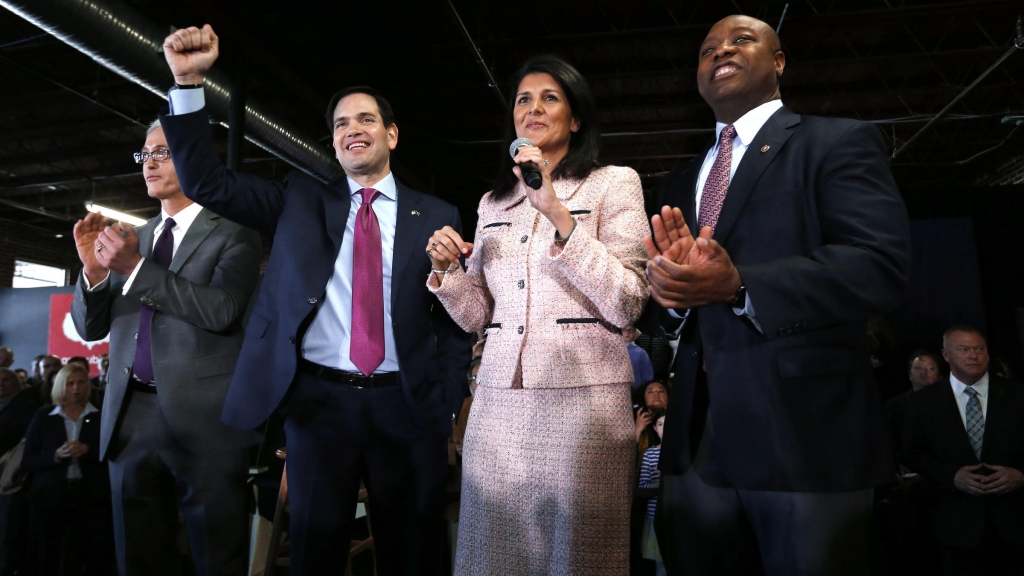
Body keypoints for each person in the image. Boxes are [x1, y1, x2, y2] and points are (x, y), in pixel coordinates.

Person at [160, 25, 472, 575]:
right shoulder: (298, 199)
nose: (352, 130)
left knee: (414, 553)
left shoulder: (439, 213)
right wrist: (187, 84)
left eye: (366, 119)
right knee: (314, 553)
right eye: (340, 124)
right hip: (319, 407)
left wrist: (444, 398)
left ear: (392, 134)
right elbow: (207, 183)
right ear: (332, 141)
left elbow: (450, 316)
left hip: (407, 407)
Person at [639, 15, 911, 575]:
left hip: (807, 440)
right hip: (694, 446)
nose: (721, 51)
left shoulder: (835, 142)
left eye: (741, 40)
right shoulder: (678, 178)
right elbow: (673, 302)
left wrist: (741, 285)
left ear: (780, 62)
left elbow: (879, 265)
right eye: (707, 47)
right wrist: (669, 295)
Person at [426, 54, 649, 574]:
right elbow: (478, 316)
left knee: (580, 557)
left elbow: (628, 298)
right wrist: (448, 275)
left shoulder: (614, 183)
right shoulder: (492, 203)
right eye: (523, 99)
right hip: (498, 403)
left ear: (576, 118)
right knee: (492, 556)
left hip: (586, 404)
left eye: (550, 97)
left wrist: (556, 212)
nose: (533, 108)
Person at [70, 119, 262, 576]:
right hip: (130, 417)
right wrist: (93, 274)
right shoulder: (133, 237)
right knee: (137, 557)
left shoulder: (235, 232)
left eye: (163, 152)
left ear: (197, 160)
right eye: (145, 153)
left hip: (206, 420)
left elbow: (222, 310)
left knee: (216, 557)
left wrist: (133, 266)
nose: (150, 162)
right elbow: (89, 326)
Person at [904, 326, 1024, 574]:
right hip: (955, 523)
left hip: (1016, 518)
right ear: (946, 355)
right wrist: (951, 476)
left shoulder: (1017, 394)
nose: (973, 355)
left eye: (979, 349)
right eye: (964, 349)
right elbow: (912, 453)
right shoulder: (922, 402)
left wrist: (1022, 474)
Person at [21, 364, 113, 575]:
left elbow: (112, 455)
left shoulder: (100, 416)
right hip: (50, 495)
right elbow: (28, 460)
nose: (76, 388)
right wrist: (55, 455)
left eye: (81, 382)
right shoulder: (44, 416)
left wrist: (88, 450)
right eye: (70, 383)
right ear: (60, 386)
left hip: (91, 495)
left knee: (94, 553)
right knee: (47, 553)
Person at [0, 367, 39, 576]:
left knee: (7, 530)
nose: (1, 383)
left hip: (10, 477)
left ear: (17, 383)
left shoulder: (27, 406)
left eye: (6, 379)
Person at [885, 351, 941, 461]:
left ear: (940, 376)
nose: (923, 372)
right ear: (910, 375)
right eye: (918, 368)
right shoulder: (895, 406)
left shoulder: (949, 403)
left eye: (930, 368)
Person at [638, 410, 667, 576]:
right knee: (661, 567)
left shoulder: (683, 453)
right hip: (655, 516)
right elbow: (643, 485)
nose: (664, 428)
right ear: (655, 428)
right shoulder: (650, 453)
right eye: (661, 424)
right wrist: (661, 480)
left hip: (677, 514)